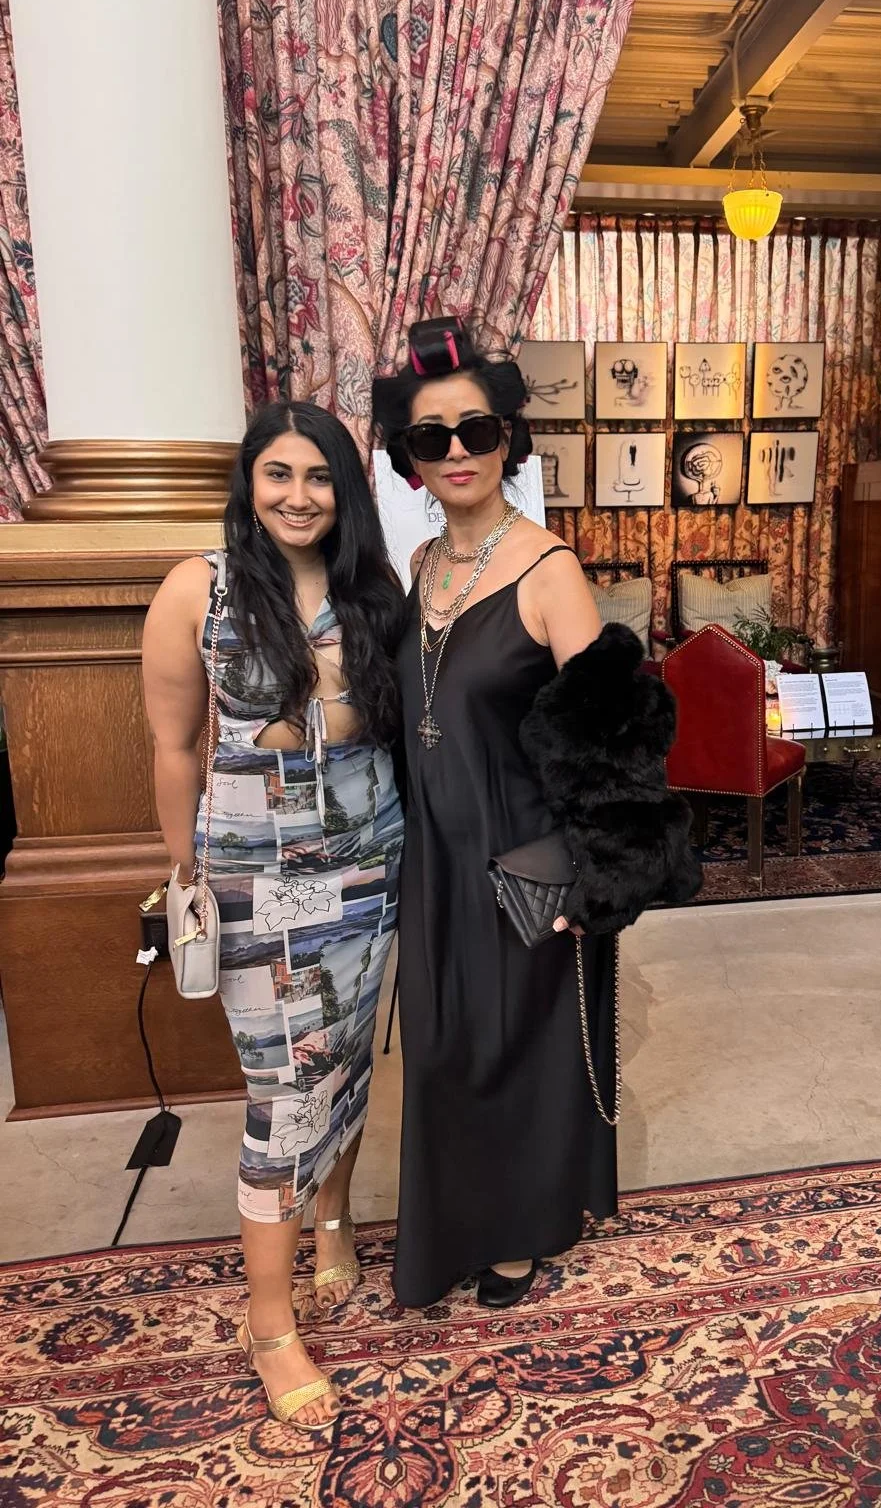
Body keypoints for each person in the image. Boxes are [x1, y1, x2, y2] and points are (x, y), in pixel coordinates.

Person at [373, 318, 700, 1310]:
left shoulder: (549, 569)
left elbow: (616, 736)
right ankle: (457, 1222)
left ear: (508, 438)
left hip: (521, 860)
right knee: (443, 1048)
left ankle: (515, 1231)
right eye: (432, 436)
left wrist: (592, 871)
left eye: (476, 430)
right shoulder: (420, 567)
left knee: (512, 1047)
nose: (457, 451)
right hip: (434, 857)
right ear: (410, 458)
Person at [141, 402, 406, 1430]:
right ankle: (268, 1324)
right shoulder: (198, 590)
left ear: (347, 490)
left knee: (347, 1057)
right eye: (279, 473)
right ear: (249, 483)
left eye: (321, 476)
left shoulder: (372, 591)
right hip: (254, 883)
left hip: (370, 867)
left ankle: (333, 1217)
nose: (299, 495)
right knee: (282, 1092)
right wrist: (186, 876)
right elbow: (175, 747)